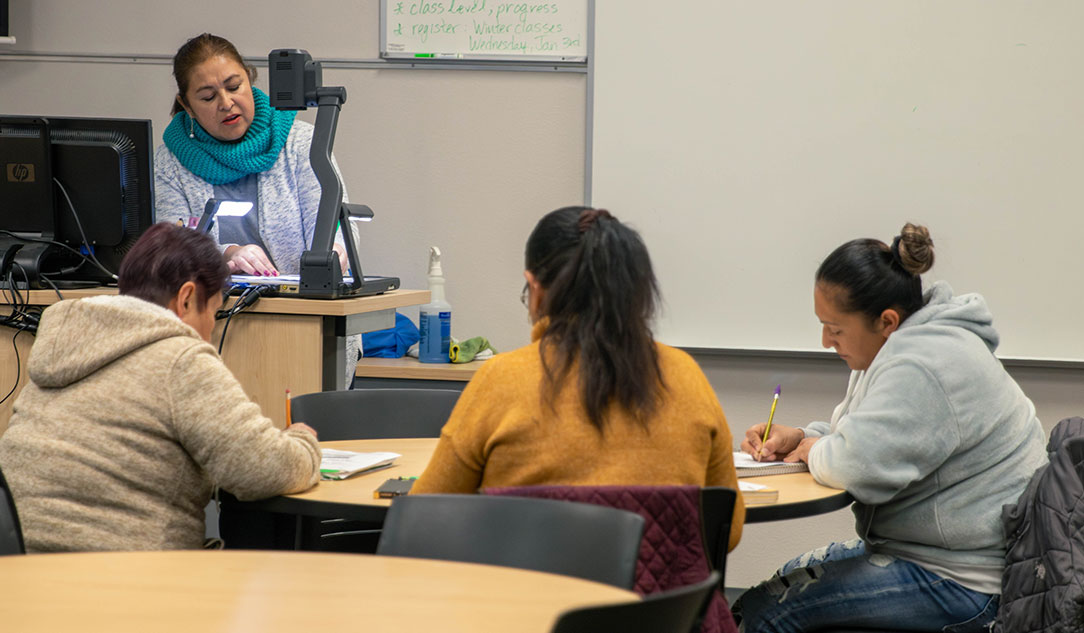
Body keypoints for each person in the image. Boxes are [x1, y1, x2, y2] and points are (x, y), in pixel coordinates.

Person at [733, 223, 1047, 632]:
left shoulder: (922, 363)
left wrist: (812, 449)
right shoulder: (905, 343)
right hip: (936, 556)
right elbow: (860, 437)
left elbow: (856, 466)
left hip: (966, 581)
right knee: (762, 595)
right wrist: (802, 437)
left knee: (768, 614)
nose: (826, 340)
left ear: (885, 320)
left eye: (836, 328)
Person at [413, 206, 745, 552]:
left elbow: (426, 520)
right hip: (662, 604)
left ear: (535, 288)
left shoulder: (501, 380)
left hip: (524, 604)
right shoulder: (686, 375)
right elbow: (729, 530)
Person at [0, 223, 322, 552]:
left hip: (22, 575)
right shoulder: (179, 358)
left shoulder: (64, 348)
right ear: (186, 299)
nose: (210, 329)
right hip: (127, 579)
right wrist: (302, 441)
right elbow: (263, 470)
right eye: (214, 312)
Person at [153, 33, 358, 383]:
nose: (226, 102)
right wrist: (224, 254)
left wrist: (337, 252)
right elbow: (169, 251)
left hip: (305, 332)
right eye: (208, 96)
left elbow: (337, 226)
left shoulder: (302, 143)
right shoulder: (170, 162)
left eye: (235, 86)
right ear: (185, 105)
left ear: (250, 79)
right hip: (208, 340)